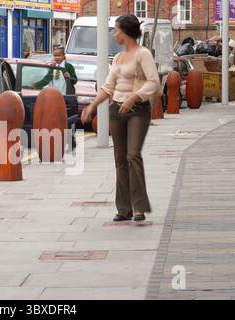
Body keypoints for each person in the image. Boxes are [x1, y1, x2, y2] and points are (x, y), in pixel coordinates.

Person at [81, 14, 160, 222]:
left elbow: (154, 82)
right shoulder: (117, 58)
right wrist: (92, 106)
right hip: (117, 110)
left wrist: (134, 97)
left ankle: (139, 208)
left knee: (133, 155)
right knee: (120, 159)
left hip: (138, 110)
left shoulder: (142, 54)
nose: (114, 34)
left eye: (115, 30)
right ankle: (123, 208)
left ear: (125, 32)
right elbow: (108, 87)